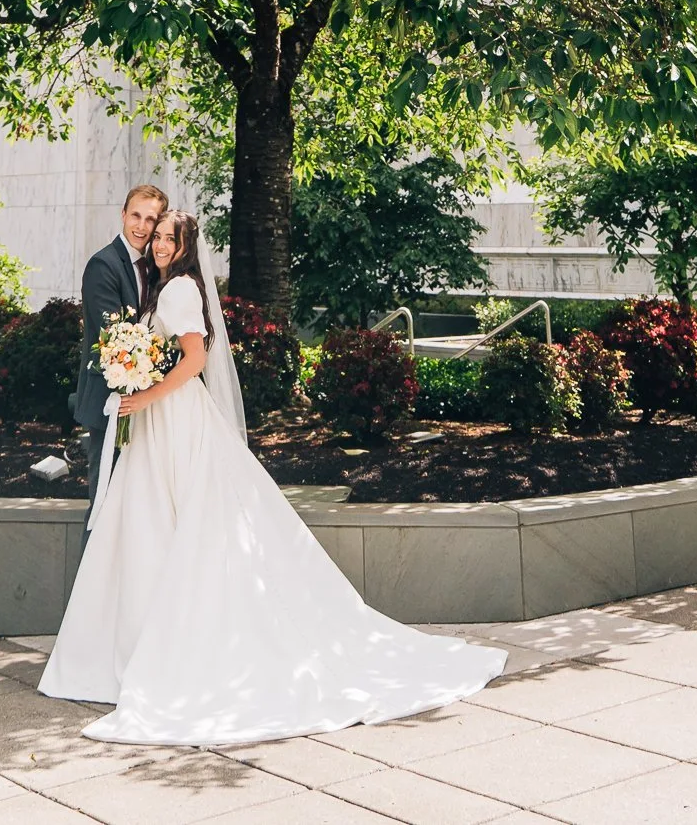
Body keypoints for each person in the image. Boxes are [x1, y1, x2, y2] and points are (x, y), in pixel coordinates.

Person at [40, 209, 506, 748]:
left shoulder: (177, 292)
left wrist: (142, 394)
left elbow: (193, 361)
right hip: (162, 421)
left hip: (173, 418)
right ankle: (141, 643)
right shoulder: (167, 288)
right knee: (160, 524)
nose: (160, 243)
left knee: (178, 526)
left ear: (187, 247)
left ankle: (162, 649)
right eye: (158, 236)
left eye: (170, 237)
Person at [73, 182, 167, 503]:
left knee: (134, 508)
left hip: (147, 404)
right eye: (136, 216)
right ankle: (91, 556)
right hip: (110, 400)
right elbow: (113, 337)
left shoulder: (156, 268)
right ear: (123, 215)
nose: (141, 226)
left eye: (150, 219)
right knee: (105, 502)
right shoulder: (104, 265)